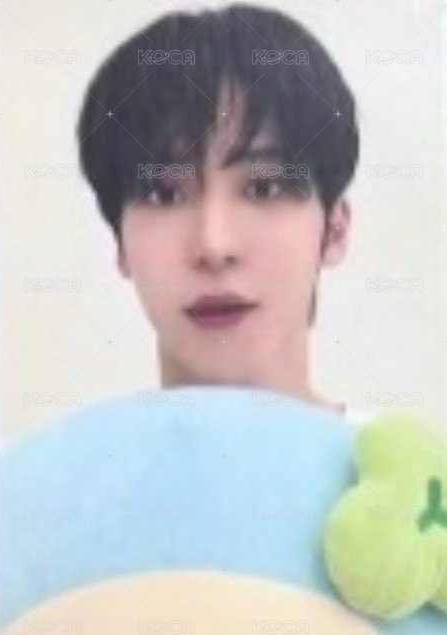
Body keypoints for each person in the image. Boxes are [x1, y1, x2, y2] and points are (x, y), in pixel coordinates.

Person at [76, 3, 366, 422]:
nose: (214, 246)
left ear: (335, 229)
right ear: (120, 243)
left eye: (264, 188)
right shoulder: (56, 463)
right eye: (164, 195)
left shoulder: (412, 465)